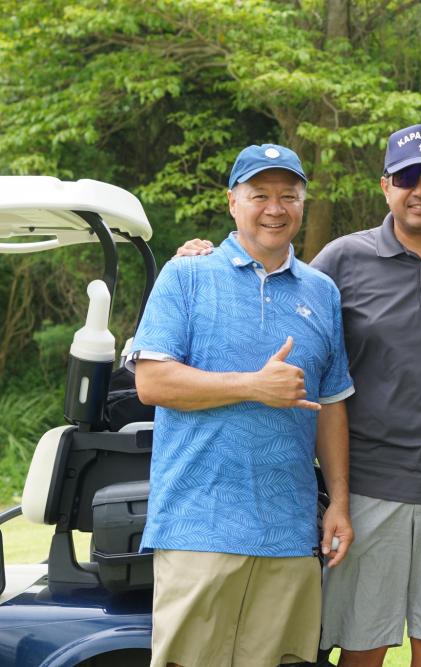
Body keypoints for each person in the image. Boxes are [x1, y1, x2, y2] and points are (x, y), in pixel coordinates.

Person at [176, 124, 421, 666]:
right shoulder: (342, 260)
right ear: (385, 186)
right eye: (406, 177)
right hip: (366, 485)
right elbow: (276, 283)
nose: (420, 189)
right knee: (361, 643)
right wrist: (208, 258)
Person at [132, 143, 355, 667]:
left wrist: (340, 502)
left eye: (288, 195)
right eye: (259, 195)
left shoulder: (322, 292)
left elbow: (331, 405)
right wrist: (254, 385)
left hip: (289, 533)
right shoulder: (185, 276)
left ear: (302, 204)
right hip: (198, 529)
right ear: (233, 202)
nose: (275, 208)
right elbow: (152, 382)